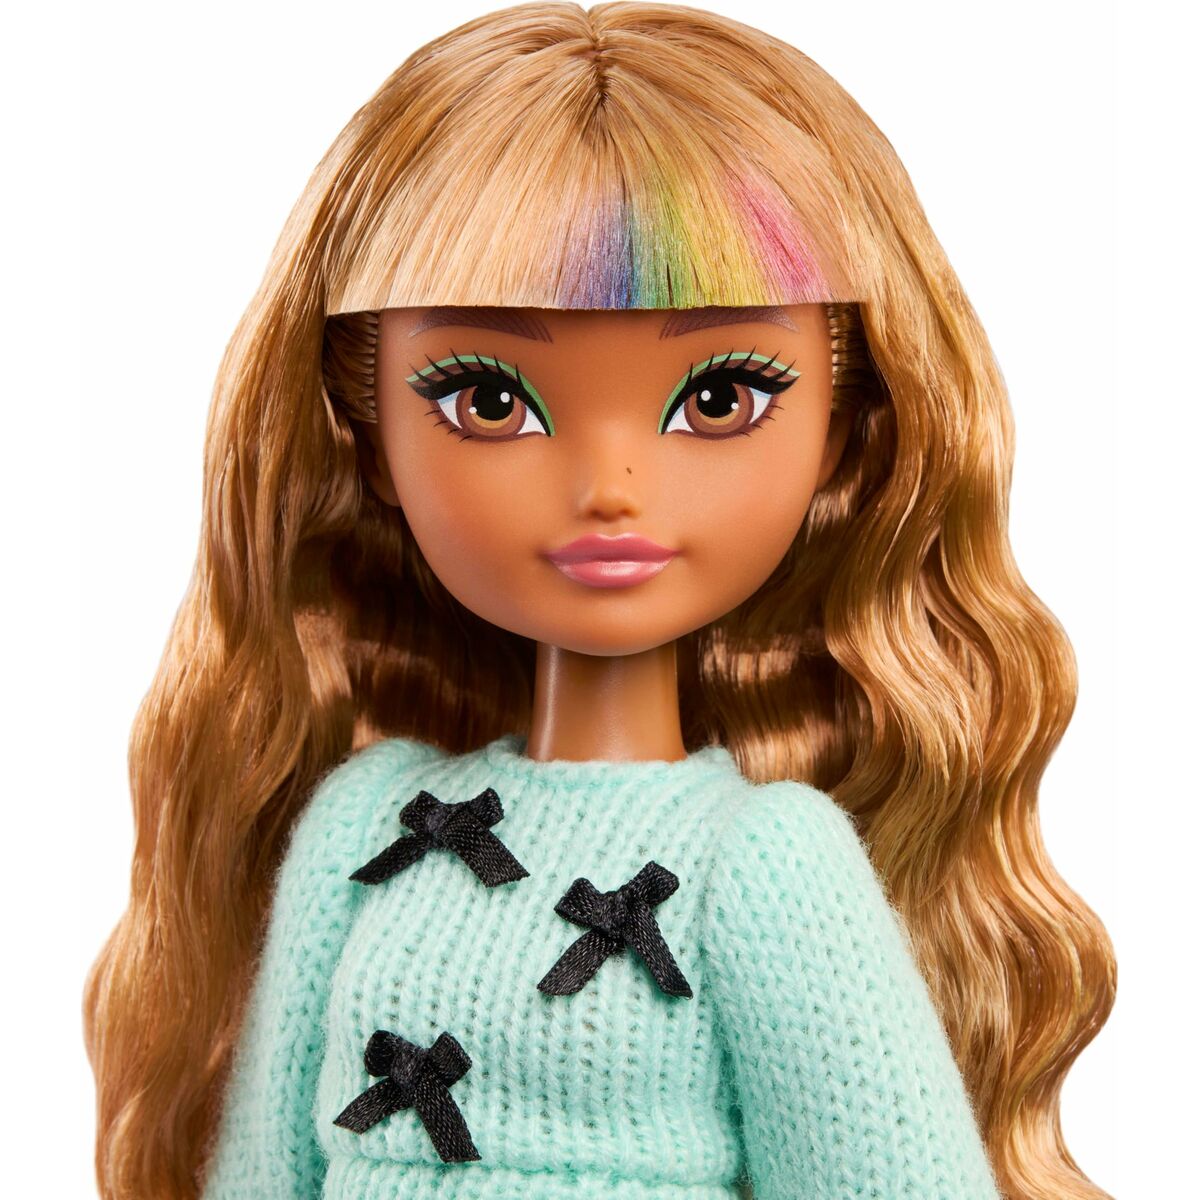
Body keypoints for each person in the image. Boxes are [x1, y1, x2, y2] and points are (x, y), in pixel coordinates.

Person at [83, 4, 1115, 1199]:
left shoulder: (762, 865)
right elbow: (266, 1172)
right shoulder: (362, 829)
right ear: (367, 434)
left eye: (720, 399)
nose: (610, 485)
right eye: (486, 399)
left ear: (843, 435)